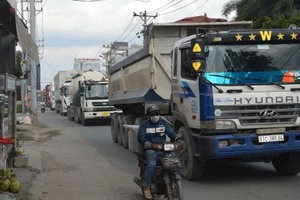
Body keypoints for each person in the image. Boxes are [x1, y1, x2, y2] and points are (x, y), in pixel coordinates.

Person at [137, 104, 183, 200]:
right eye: (153, 114)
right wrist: (146, 142)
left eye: (157, 113)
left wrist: (177, 139)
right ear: (149, 116)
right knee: (152, 164)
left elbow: (171, 133)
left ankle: (174, 182)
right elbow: (140, 137)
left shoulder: (163, 123)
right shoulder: (144, 125)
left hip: (163, 148)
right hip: (151, 149)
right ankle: (147, 187)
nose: (155, 116)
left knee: (176, 161)